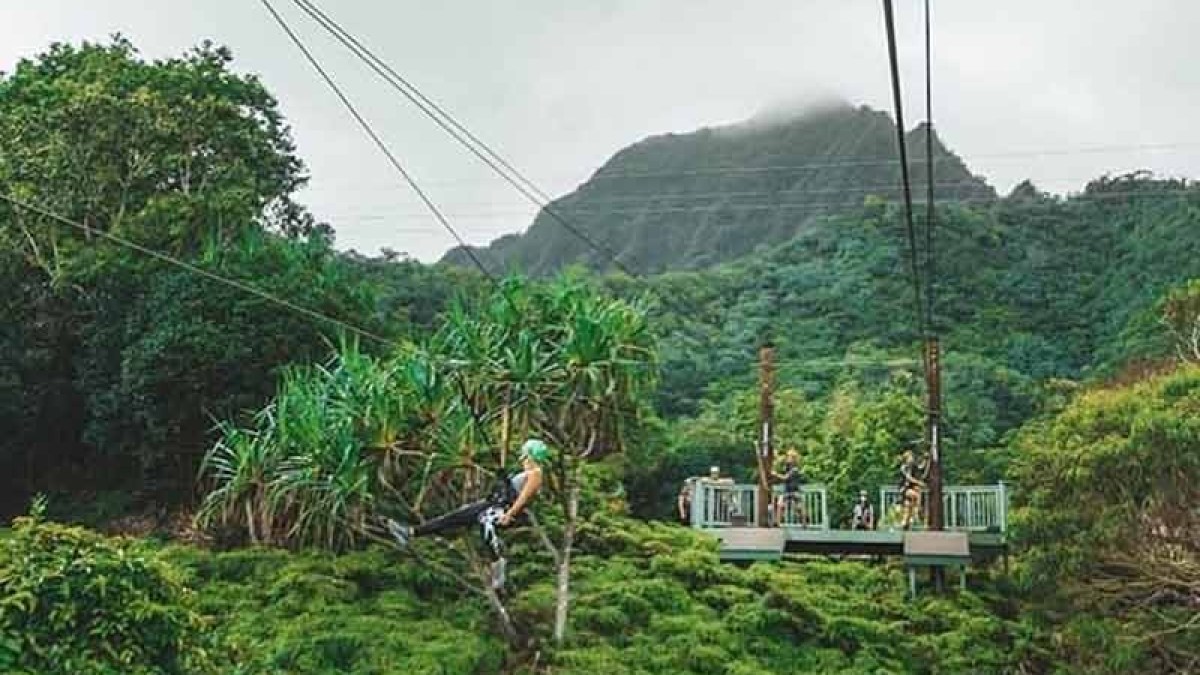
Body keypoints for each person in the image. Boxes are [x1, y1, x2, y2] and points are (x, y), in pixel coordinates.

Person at [384, 438, 549, 591]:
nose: (522, 460)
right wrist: (504, 480)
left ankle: (498, 564)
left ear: (531, 456)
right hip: (493, 503)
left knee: (486, 524)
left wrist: (510, 514)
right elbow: (510, 491)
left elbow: (524, 496)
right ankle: (412, 532)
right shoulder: (522, 473)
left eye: (525, 456)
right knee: (457, 516)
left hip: (505, 509)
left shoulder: (536, 473)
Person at [771, 450, 804, 526]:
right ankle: (777, 523)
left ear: (794, 459)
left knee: (798, 507)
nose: (788, 458)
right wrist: (776, 458)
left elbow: (785, 478)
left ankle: (804, 523)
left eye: (790, 457)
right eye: (788, 457)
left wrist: (775, 474)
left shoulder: (795, 469)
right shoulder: (788, 467)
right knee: (780, 505)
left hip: (794, 490)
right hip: (787, 490)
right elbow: (779, 463)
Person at [897, 449, 927, 530]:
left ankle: (906, 523)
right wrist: (919, 482)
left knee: (908, 509)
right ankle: (918, 510)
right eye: (910, 458)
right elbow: (909, 478)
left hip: (910, 488)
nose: (912, 459)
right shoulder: (903, 467)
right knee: (917, 494)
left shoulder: (913, 466)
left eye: (912, 457)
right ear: (906, 459)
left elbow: (921, 467)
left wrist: (926, 458)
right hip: (904, 489)